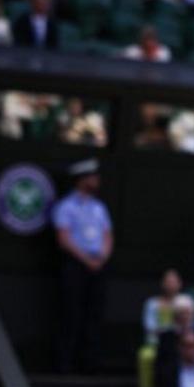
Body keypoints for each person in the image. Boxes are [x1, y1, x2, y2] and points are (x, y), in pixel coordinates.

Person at [53, 159, 113, 374]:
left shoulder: (99, 207)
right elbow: (64, 239)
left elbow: (107, 236)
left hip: (97, 266)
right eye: (92, 176)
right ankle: (65, 363)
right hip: (75, 265)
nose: (97, 180)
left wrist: (102, 258)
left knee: (94, 315)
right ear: (82, 179)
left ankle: (90, 363)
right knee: (71, 314)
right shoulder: (66, 206)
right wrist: (87, 260)